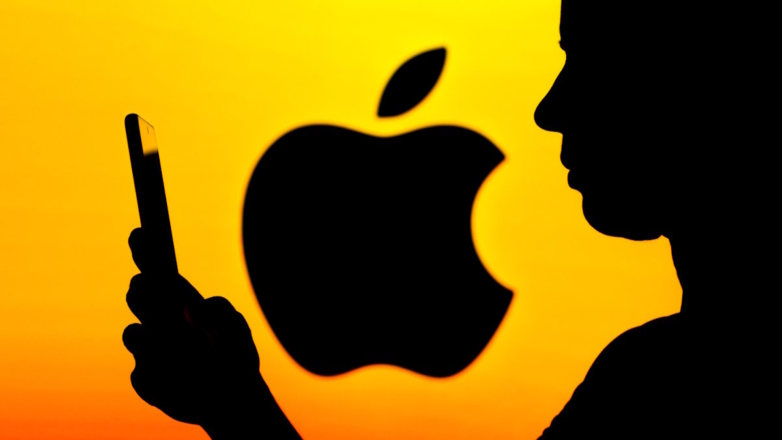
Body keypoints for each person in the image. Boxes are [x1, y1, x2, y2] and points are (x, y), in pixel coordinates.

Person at [122, 0, 777, 438]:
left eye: (593, 60)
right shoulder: (646, 379)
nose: (550, 108)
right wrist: (234, 401)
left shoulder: (658, 391)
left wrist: (235, 408)